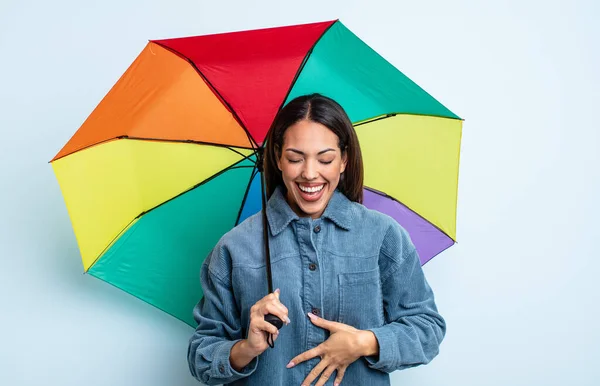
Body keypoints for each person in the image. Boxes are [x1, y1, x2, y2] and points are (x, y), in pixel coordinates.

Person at [187, 93, 446, 385]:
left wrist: (364, 342)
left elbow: (427, 330)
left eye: (325, 159)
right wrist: (247, 348)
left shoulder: (383, 235)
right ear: (278, 158)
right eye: (295, 159)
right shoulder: (234, 248)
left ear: (344, 160)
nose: (310, 174)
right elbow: (201, 356)